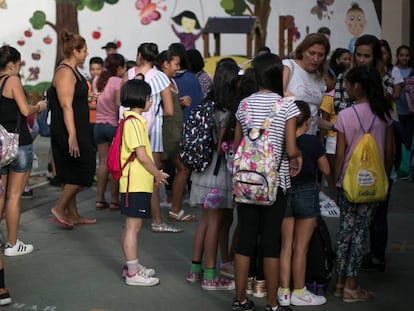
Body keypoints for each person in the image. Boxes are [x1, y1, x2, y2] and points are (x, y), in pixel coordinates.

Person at [232, 53, 302, 311]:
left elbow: (239, 144)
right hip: (275, 184)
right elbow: (291, 148)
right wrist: (298, 157)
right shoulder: (288, 106)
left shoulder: (244, 105)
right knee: (271, 244)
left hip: (246, 182)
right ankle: (273, 304)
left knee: (244, 241)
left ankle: (239, 300)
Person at [334, 66, 393, 302]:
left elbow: (340, 153)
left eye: (348, 84)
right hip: (374, 183)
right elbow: (389, 151)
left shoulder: (345, 115)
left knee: (345, 232)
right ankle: (352, 285)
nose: (346, 88)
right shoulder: (385, 113)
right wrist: (385, 177)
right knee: (360, 233)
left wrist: (336, 181)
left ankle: (340, 284)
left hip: (348, 182)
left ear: (357, 86)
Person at [186, 60, 240, 291]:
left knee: (204, 223)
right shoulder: (228, 111)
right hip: (218, 175)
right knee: (215, 225)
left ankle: (195, 271)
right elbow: (222, 147)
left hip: (201, 172)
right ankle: (210, 276)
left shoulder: (206, 104)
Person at [123, 42, 180, 233]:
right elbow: (170, 110)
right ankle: (157, 220)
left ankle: (133, 214)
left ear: (139, 56)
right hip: (152, 134)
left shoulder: (129, 74)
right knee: (153, 176)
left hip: (129, 126)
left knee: (132, 171)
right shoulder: (161, 78)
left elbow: (120, 102)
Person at [278, 100, 330, 307]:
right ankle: (299, 291)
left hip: (284, 191)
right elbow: (325, 169)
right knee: (301, 247)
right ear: (308, 122)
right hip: (307, 192)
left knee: (285, 246)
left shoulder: (282, 142)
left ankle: (283, 291)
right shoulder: (313, 143)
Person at [119, 79, 169, 286]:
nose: (151, 101)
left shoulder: (131, 120)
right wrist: (157, 173)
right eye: (149, 97)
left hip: (134, 182)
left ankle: (131, 265)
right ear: (142, 99)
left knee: (131, 227)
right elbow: (142, 156)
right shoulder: (134, 122)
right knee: (133, 227)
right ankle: (132, 272)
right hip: (135, 182)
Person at [0, 45, 47, 256]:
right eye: (18, 64)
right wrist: (39, 106)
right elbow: (25, 110)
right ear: (11, 65)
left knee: (1, 195)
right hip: (19, 144)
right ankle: (12, 243)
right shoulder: (12, 80)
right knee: (14, 196)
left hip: (1, 144)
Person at [48, 30, 96, 227]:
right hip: (69, 130)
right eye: (84, 50)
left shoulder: (72, 70)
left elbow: (73, 99)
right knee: (83, 171)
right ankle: (59, 208)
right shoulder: (65, 72)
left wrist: (87, 98)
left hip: (77, 127)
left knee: (71, 172)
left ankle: (73, 214)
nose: (86, 54)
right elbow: (66, 105)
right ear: (75, 51)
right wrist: (72, 136)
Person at [155, 50, 195, 222]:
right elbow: (157, 106)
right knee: (179, 168)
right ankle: (173, 210)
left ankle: (170, 210)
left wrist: (180, 104)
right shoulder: (160, 80)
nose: (178, 68)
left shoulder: (169, 81)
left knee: (159, 170)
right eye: (176, 64)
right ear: (166, 64)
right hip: (167, 133)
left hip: (173, 130)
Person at [94, 53, 126, 211]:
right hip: (112, 125)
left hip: (98, 125)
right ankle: (114, 200)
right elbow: (119, 104)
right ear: (119, 67)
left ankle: (99, 199)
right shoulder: (118, 82)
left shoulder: (97, 80)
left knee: (102, 162)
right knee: (114, 163)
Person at [282, 33, 332, 136]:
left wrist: (334, 126)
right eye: (312, 53)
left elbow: (313, 116)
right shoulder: (289, 66)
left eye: (320, 55)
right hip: (288, 136)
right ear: (302, 51)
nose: (315, 59)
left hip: (310, 137)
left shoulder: (320, 78)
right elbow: (278, 101)